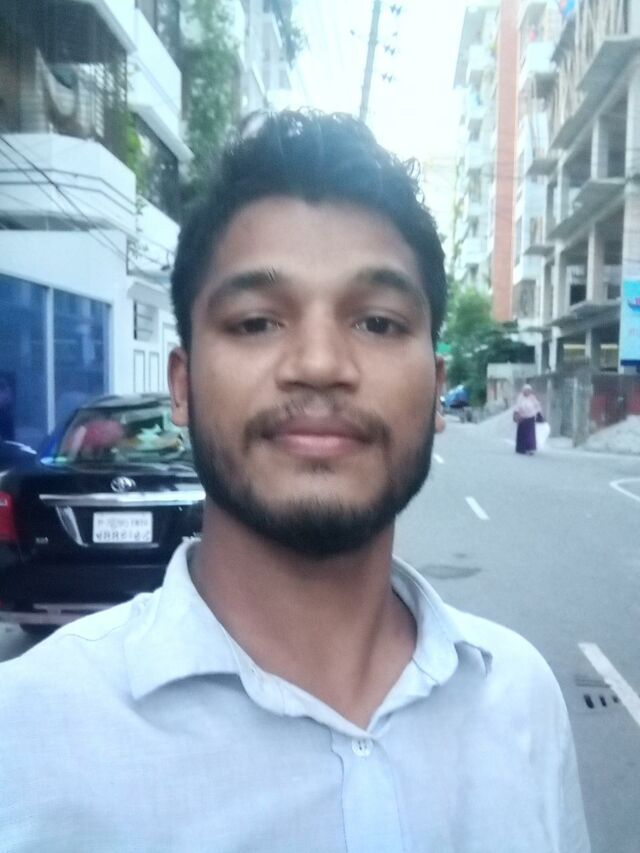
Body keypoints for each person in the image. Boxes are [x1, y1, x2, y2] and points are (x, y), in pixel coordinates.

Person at [0, 112, 589, 852]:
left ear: (437, 388)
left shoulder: (522, 699)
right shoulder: (26, 737)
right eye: (256, 322)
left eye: (377, 323)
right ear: (181, 385)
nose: (319, 363)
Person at [514, 383, 543, 455]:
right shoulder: (520, 397)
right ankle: (521, 449)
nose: (527, 392)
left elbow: (537, 405)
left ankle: (530, 449)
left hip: (530, 417)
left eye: (528, 390)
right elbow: (517, 406)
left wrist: (538, 413)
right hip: (522, 418)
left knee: (530, 435)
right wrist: (516, 413)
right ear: (523, 390)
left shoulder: (532, 397)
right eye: (525, 390)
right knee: (522, 434)